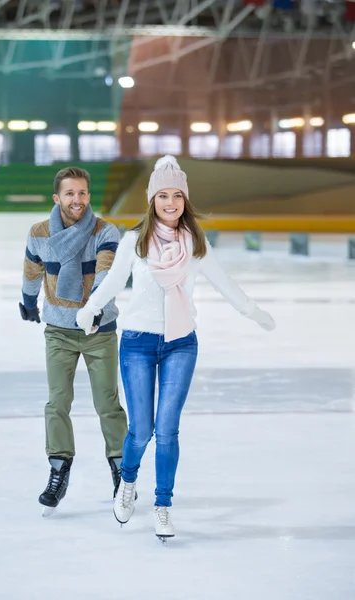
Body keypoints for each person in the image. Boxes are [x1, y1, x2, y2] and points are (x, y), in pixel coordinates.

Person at [76, 155, 275, 539]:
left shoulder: (196, 244)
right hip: (136, 342)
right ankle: (128, 482)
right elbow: (115, 282)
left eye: (177, 195)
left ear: (185, 199)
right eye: (163, 195)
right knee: (141, 430)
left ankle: (163, 505)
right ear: (152, 199)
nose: (171, 202)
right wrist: (90, 308)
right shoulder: (135, 241)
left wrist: (253, 311)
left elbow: (225, 283)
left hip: (181, 344)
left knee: (167, 430)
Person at [20, 166, 128, 515]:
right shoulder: (39, 233)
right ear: (57, 198)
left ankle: (122, 474)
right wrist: (27, 300)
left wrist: (95, 307)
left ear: (88, 196)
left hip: (99, 332)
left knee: (108, 403)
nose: (77, 199)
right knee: (57, 402)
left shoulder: (104, 231)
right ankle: (59, 470)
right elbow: (32, 270)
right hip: (59, 331)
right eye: (70, 193)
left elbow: (107, 271)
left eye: (82, 193)